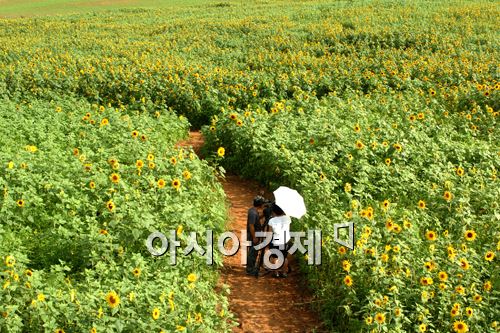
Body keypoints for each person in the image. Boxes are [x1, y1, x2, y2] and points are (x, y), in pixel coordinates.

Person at [267, 203, 291, 278]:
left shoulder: (271, 221)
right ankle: (284, 272)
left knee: (275, 257)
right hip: (285, 240)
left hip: (276, 241)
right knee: (284, 257)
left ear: (274, 211)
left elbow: (270, 233)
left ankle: (276, 272)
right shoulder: (288, 218)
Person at [246, 196, 265, 276]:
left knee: (253, 251)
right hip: (253, 235)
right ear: (260, 205)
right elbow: (251, 225)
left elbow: (256, 220)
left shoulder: (253, 210)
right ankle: (250, 270)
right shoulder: (253, 213)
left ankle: (251, 267)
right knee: (253, 252)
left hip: (254, 234)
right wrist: (254, 237)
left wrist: (263, 215)